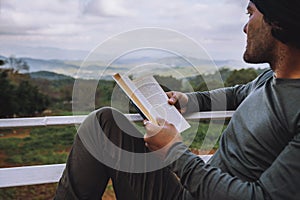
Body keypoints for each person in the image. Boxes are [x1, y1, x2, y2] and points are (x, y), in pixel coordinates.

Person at [55, 0, 300, 199]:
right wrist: (188, 100)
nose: (245, 27)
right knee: (104, 123)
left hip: (200, 189)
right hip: (191, 191)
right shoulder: (269, 79)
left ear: (276, 21)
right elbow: (236, 93)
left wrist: (173, 150)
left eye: (250, 14)